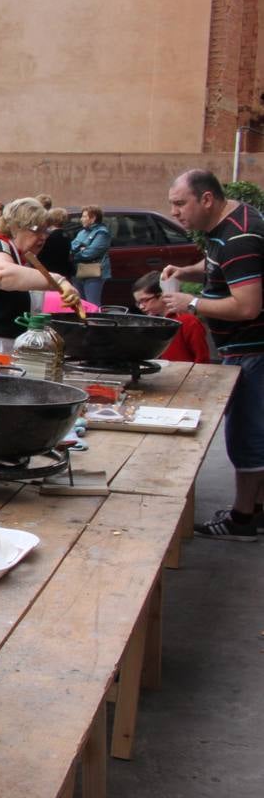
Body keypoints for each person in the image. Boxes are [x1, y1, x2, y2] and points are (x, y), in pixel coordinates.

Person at [160, 169, 263, 540]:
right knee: (251, 434)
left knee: (248, 439)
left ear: (206, 199)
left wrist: (192, 302)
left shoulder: (239, 237)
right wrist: (189, 269)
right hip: (246, 348)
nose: (174, 212)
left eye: (179, 203)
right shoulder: (229, 223)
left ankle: (243, 519)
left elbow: (247, 306)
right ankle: (256, 510)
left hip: (253, 349)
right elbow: (219, 263)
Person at [0, 197, 81, 372]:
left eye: (46, 231)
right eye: (36, 229)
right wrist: (58, 281)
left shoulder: (19, 255)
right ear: (15, 228)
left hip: (0, 348)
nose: (43, 237)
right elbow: (2, 275)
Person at [131, 271, 211, 363]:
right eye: (138, 303)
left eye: (144, 300)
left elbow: (202, 358)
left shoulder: (188, 321)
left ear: (162, 295)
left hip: (186, 375)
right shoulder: (151, 323)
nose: (141, 307)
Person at [70, 205, 112, 307]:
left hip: (93, 272)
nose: (81, 219)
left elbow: (90, 253)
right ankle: (83, 322)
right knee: (79, 303)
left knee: (92, 304)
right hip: (78, 271)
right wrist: (80, 249)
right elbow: (72, 247)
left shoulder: (102, 233)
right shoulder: (82, 232)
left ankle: (94, 322)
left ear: (93, 218)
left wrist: (77, 253)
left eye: (84, 216)